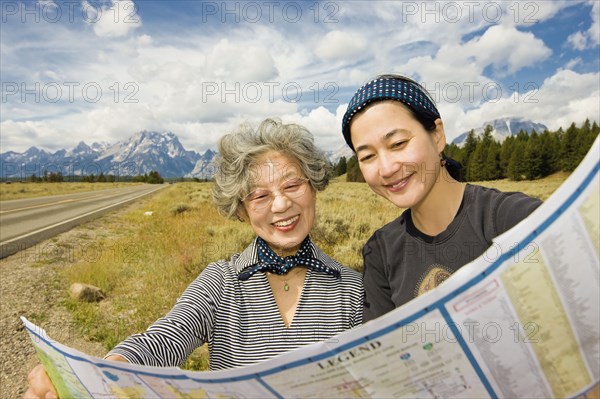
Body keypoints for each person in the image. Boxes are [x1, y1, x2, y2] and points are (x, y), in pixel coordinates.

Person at [25, 118, 364, 398]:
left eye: (292, 186)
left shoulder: (352, 287)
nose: (280, 204)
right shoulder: (221, 280)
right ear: (242, 211)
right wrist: (95, 377)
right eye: (259, 195)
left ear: (314, 187)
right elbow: (161, 343)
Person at [341, 74, 542, 322]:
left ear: (437, 135)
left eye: (398, 143)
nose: (386, 168)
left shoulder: (515, 218)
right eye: (368, 156)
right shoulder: (380, 252)